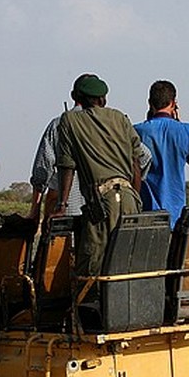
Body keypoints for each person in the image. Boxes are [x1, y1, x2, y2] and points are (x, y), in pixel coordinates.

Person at [49, 73, 143, 278]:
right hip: (129, 199)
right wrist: (136, 199)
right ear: (103, 99)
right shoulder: (120, 118)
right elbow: (137, 161)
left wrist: (61, 205)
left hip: (101, 203)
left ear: (76, 99)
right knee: (126, 265)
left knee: (92, 268)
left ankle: (90, 308)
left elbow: (66, 165)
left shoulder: (69, 120)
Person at [134, 80, 189, 227]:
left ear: (150, 103)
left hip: (147, 212)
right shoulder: (187, 130)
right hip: (176, 214)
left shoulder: (136, 131)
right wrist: (177, 121)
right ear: (173, 103)